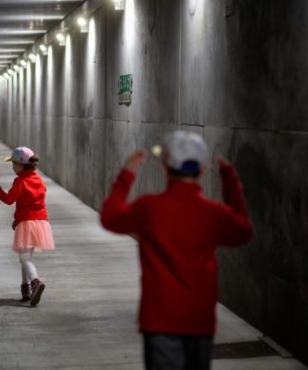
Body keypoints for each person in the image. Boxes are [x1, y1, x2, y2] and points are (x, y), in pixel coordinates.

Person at [100, 131, 253, 370]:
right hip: (199, 318)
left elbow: (109, 218)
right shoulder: (213, 213)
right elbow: (243, 231)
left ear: (165, 167)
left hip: (159, 318)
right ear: (202, 169)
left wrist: (126, 174)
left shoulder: (149, 208)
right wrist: (230, 181)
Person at [0, 147, 55, 306]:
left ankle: (35, 282)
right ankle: (25, 290)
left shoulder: (20, 181)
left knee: (24, 258)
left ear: (20, 165)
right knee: (26, 257)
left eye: (13, 164)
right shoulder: (39, 179)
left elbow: (8, 200)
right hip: (41, 223)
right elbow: (34, 201)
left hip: (27, 223)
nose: (12, 167)